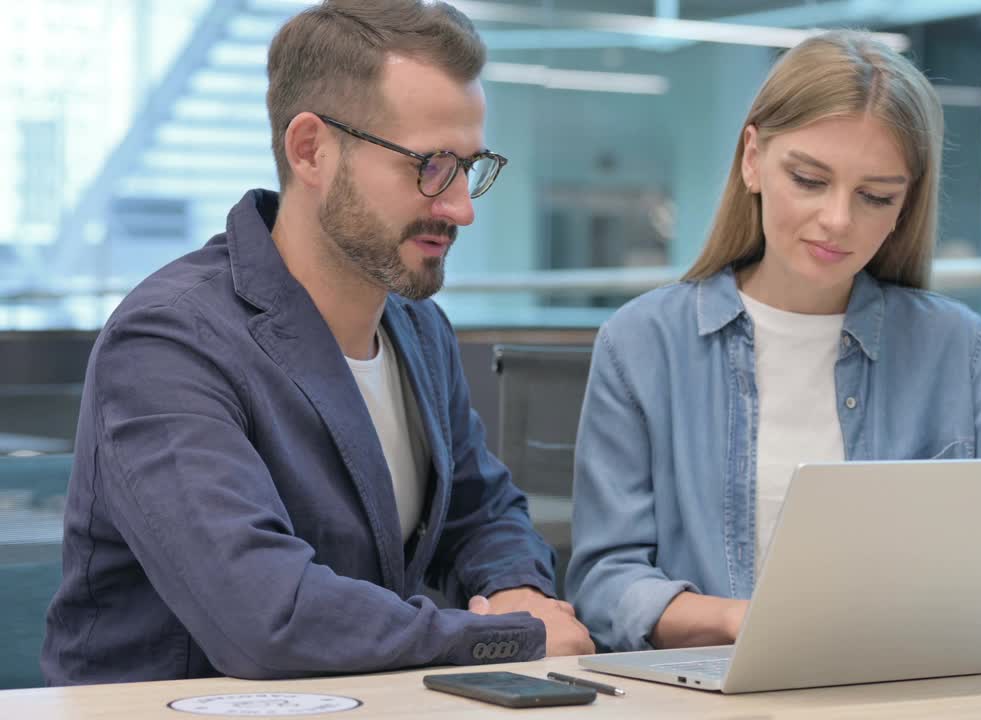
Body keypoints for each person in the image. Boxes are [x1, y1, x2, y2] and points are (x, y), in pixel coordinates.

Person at [42, 0, 592, 685]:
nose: (461, 207)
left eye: (471, 166)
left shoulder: (416, 328)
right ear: (310, 150)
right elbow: (268, 619)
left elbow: (483, 511)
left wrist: (520, 590)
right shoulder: (169, 343)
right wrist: (512, 638)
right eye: (431, 165)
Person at [566, 29, 981, 652]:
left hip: (908, 685)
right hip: (716, 692)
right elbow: (604, 581)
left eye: (875, 196)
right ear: (752, 159)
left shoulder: (955, 345)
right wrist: (741, 621)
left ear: (904, 206)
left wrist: (916, 611)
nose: (839, 220)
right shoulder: (642, 342)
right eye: (809, 179)